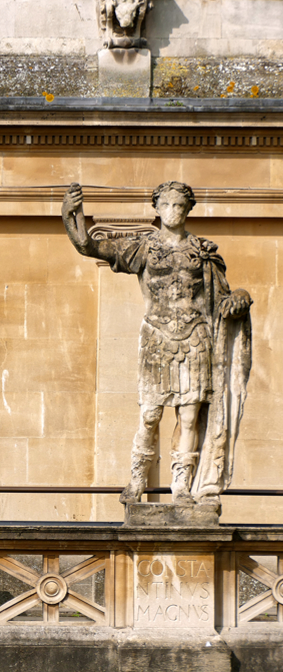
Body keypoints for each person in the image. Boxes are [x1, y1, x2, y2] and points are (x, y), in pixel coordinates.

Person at [62, 181, 251, 511]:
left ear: (188, 209)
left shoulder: (203, 252)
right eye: (168, 205)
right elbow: (88, 246)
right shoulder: (143, 247)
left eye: (180, 206)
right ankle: (137, 480)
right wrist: (71, 213)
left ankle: (181, 486)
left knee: (190, 417)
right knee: (150, 415)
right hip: (157, 339)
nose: (174, 211)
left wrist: (241, 299)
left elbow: (222, 297)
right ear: (157, 208)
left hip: (196, 339)